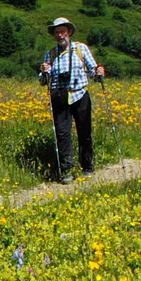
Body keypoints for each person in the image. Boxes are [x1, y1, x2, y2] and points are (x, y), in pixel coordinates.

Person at [39, 16, 105, 183]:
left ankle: (87, 167)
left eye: (62, 31)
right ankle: (67, 170)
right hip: (59, 97)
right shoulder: (50, 54)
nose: (59, 35)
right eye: (56, 32)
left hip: (80, 94)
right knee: (62, 134)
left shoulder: (81, 49)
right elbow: (43, 81)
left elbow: (93, 70)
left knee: (84, 132)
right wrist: (44, 72)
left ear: (69, 32)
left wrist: (99, 72)